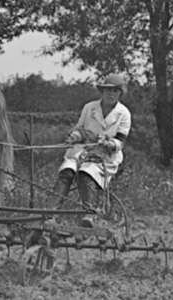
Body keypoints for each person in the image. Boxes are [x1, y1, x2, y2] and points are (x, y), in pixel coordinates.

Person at [53, 73, 131, 228]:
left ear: (120, 93)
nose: (111, 94)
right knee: (67, 171)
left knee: (86, 173)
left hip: (106, 156)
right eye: (108, 90)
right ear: (102, 91)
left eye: (115, 91)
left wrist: (109, 144)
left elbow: (120, 141)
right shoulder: (89, 108)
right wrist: (74, 137)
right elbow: (80, 129)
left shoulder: (124, 114)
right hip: (82, 149)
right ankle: (51, 211)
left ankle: (88, 214)